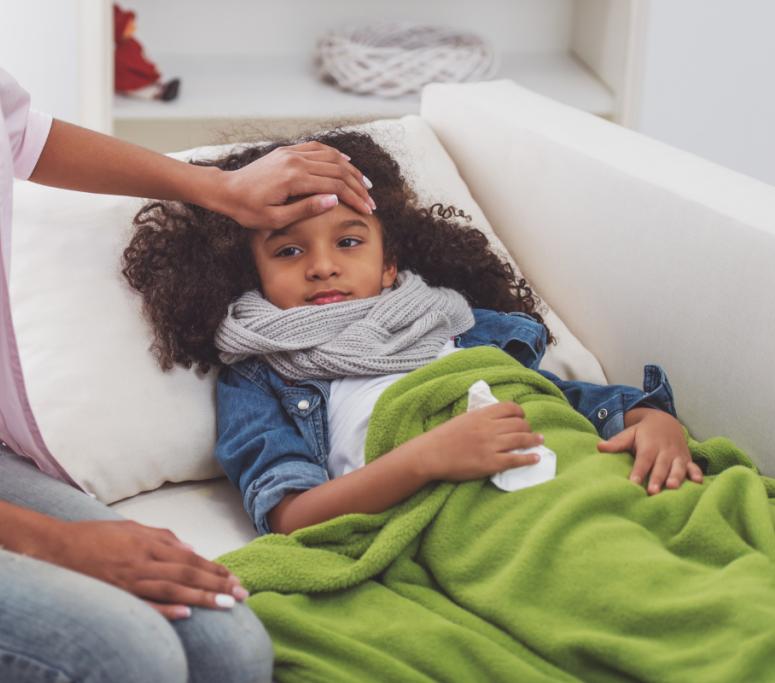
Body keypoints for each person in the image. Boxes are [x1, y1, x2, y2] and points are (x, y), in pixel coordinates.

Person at [0, 1, 378, 681]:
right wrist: (58, 544)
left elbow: (15, 131)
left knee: (229, 643)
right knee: (124, 655)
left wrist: (219, 188)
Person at [122, 129, 702, 537]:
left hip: (567, 480)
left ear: (389, 262)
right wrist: (425, 459)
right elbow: (290, 515)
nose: (322, 266)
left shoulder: (461, 327)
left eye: (348, 242)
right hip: (462, 523)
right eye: (290, 250)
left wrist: (656, 424)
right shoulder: (259, 374)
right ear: (252, 273)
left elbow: (567, 405)